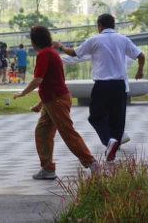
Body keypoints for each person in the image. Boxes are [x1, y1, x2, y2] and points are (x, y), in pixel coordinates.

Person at [53, 14, 145, 162]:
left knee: (95, 116)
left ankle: (108, 141)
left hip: (102, 85)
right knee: (117, 120)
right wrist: (139, 71)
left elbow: (74, 53)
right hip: (120, 86)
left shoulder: (95, 40)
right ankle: (112, 153)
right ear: (113, 25)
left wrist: (60, 46)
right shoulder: (123, 40)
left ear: (100, 25)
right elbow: (141, 56)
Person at [14, 25, 97, 179]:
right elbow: (52, 81)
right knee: (42, 132)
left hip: (56, 100)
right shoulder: (51, 53)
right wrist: (41, 104)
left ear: (34, 42)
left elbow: (38, 80)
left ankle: (91, 163)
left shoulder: (45, 54)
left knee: (67, 132)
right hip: (53, 100)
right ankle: (48, 169)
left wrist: (23, 93)